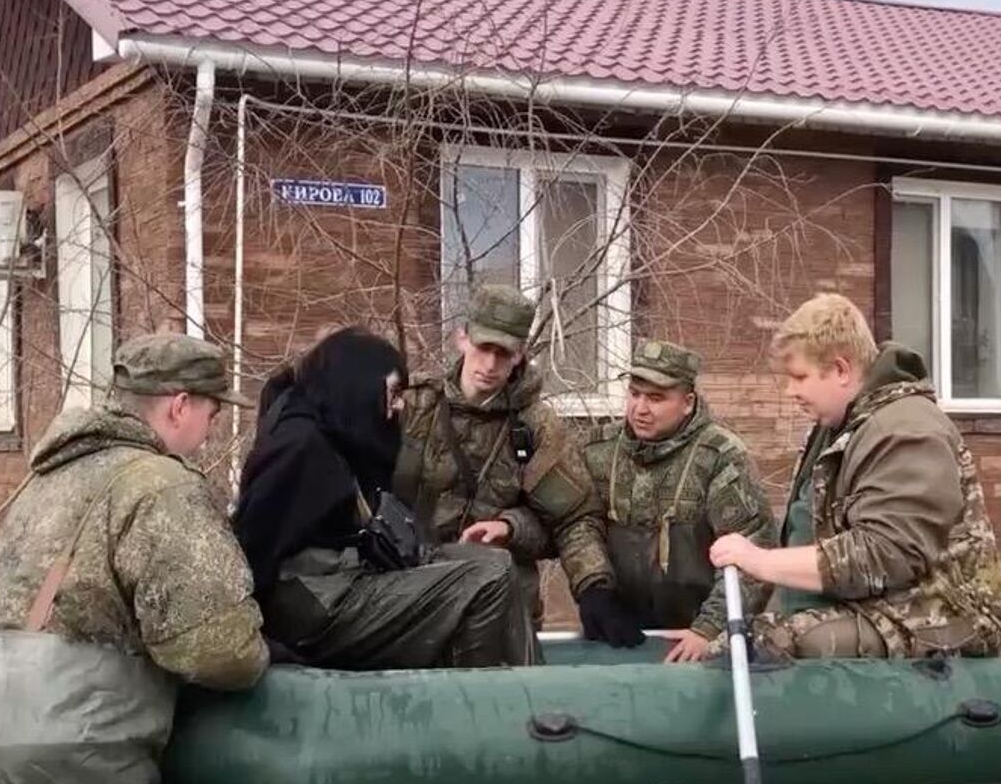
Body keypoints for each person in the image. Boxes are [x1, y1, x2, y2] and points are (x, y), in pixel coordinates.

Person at [0, 333, 268, 784]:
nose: (212, 431)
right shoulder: (161, 486)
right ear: (179, 406)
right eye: (213, 414)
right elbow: (219, 650)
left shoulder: (44, 478)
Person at [708, 293, 1001, 660]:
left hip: (943, 618)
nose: (790, 391)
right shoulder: (837, 427)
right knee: (741, 639)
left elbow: (888, 553)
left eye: (799, 377)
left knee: (763, 646)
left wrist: (761, 560)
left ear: (842, 370)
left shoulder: (906, 429)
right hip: (874, 608)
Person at [234, 327, 538, 669]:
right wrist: (255, 644)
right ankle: (480, 704)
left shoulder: (336, 434)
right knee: (487, 583)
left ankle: (533, 695)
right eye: (393, 392)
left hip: (337, 584)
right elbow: (249, 550)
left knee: (496, 563)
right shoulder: (300, 448)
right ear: (361, 388)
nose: (399, 404)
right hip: (315, 609)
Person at [392, 283, 627, 642]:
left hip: (499, 613)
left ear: (520, 356)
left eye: (504, 353)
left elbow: (573, 518)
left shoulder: (535, 426)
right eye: (484, 347)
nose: (490, 365)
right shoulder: (413, 406)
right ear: (462, 339)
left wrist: (593, 586)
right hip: (411, 603)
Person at [578, 339, 777, 661]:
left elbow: (752, 554)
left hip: (694, 640)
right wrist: (594, 588)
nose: (640, 409)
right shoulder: (596, 450)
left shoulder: (721, 457)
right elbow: (575, 525)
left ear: (687, 402)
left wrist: (709, 629)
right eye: (634, 394)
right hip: (616, 636)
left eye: (656, 398)